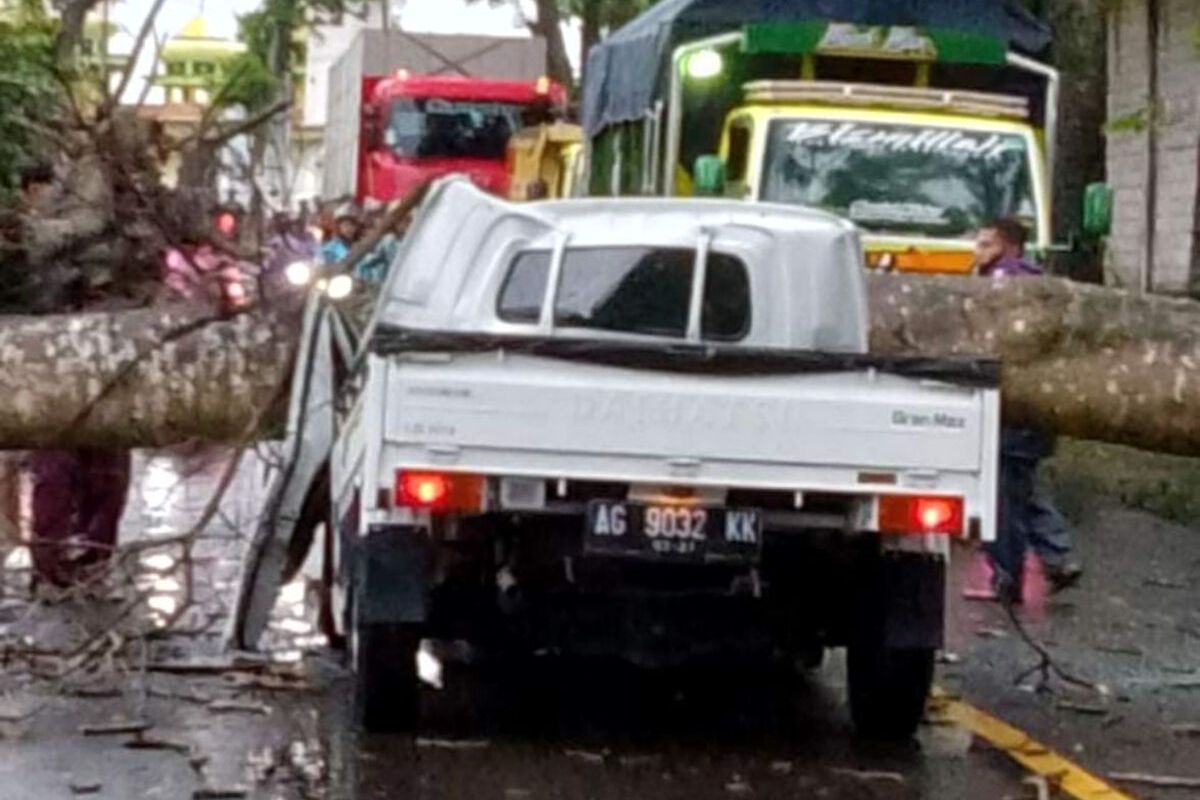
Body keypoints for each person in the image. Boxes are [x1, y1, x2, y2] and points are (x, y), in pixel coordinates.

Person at [974, 218, 1082, 599]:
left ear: (1011, 247)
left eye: (987, 244)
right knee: (1023, 488)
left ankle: (1007, 578)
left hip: (1013, 411)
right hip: (1037, 410)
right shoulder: (1042, 284)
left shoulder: (1005, 284)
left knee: (999, 496)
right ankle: (1057, 558)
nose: (978, 252)